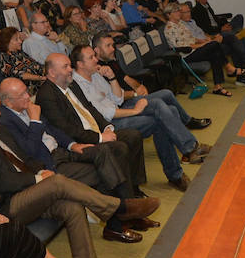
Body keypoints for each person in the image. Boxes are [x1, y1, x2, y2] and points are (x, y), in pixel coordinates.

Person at [0, 85, 151, 258]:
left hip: (28, 191)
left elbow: (26, 158)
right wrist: (38, 178)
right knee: (56, 182)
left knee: (72, 206)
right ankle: (120, 208)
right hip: (6, 206)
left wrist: (42, 170)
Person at [72, 42, 208, 191]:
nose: (96, 59)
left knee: (168, 110)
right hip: (108, 124)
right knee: (161, 113)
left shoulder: (95, 74)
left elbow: (118, 98)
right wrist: (136, 111)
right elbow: (106, 114)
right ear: (80, 64)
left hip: (119, 109)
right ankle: (186, 155)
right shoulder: (78, 85)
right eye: (91, 57)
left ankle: (183, 161)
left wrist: (111, 78)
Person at [35, 52, 149, 199]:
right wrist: (100, 137)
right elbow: (65, 128)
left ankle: (134, 187)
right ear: (52, 72)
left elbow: (90, 108)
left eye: (70, 65)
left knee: (133, 135)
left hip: (95, 130)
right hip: (78, 141)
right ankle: (126, 200)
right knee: (119, 147)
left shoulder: (72, 84)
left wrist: (107, 127)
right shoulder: (46, 95)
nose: (71, 69)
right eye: (65, 67)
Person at [163, 2, 238, 96]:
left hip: (193, 50)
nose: (179, 13)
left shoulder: (180, 24)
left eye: (179, 11)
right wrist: (204, 45)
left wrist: (202, 42)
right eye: (176, 11)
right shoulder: (169, 29)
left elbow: (191, 38)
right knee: (214, 45)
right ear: (168, 14)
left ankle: (218, 87)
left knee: (215, 53)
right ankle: (228, 67)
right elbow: (184, 47)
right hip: (186, 55)